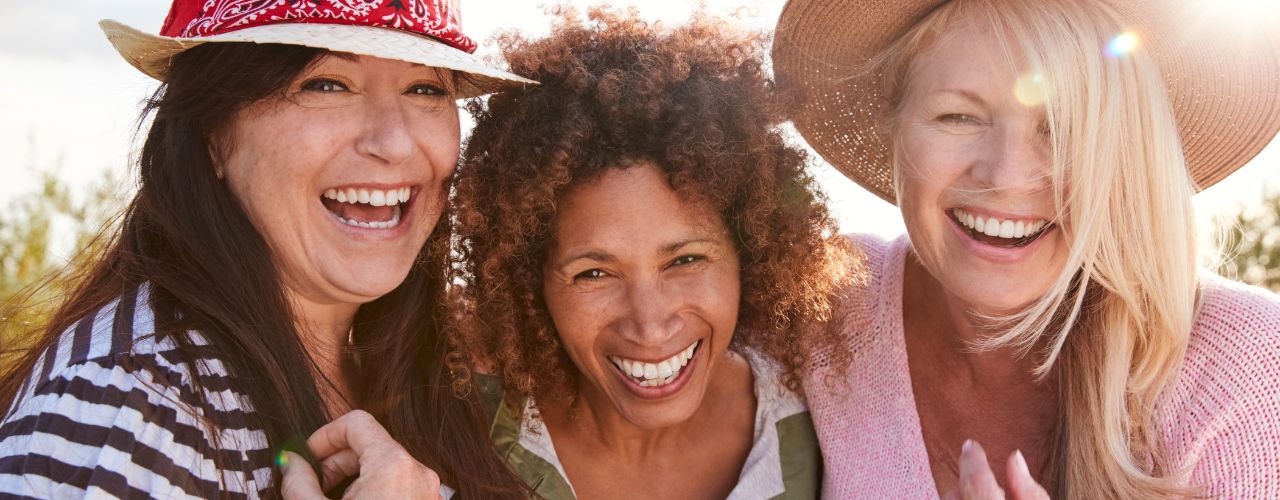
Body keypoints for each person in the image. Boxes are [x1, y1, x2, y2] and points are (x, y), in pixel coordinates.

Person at [0, 0, 535, 497]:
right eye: (327, 84)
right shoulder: (134, 404)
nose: (393, 143)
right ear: (212, 132)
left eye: (425, 89)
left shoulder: (437, 380)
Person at [772, 0, 1280, 498]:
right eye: (958, 117)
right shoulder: (818, 305)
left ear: (1128, 153)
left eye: (1064, 127)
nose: (1005, 176)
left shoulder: (1248, 368)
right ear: (893, 125)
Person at [446, 8, 854, 499]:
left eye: (684, 261)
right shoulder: (455, 426)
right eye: (594, 273)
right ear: (529, 281)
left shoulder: (825, 419)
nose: (650, 326)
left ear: (749, 252)